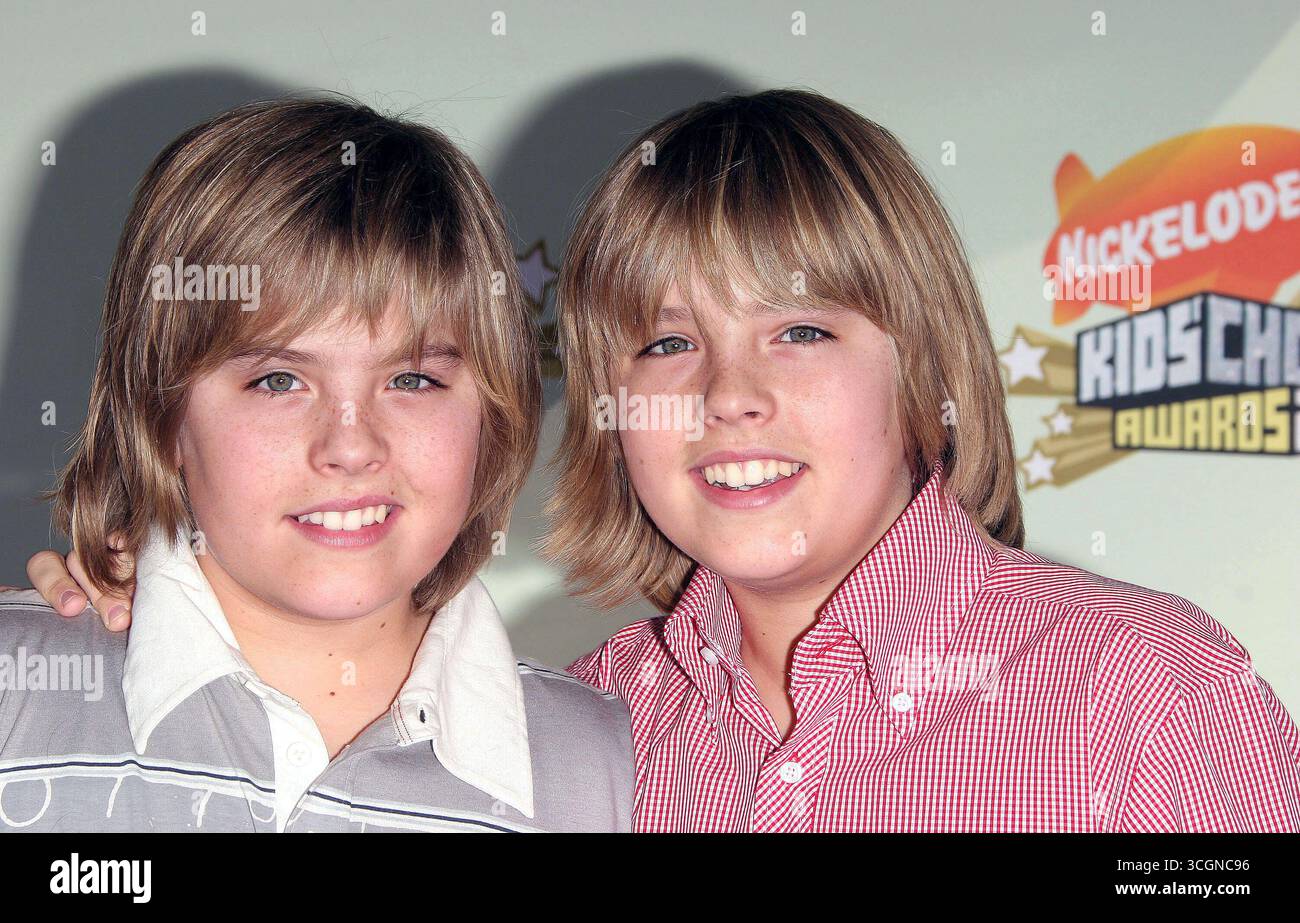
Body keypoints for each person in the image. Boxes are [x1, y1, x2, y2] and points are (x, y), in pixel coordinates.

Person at [22, 90, 1300, 833]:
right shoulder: (591, 736)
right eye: (668, 342)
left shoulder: (1142, 694)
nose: (730, 397)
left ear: (925, 369)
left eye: (799, 330)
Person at [0, 97, 632, 832]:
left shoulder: (605, 768)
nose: (351, 445)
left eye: (412, 380)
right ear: (162, 413)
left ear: (492, 414)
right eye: (278, 381)